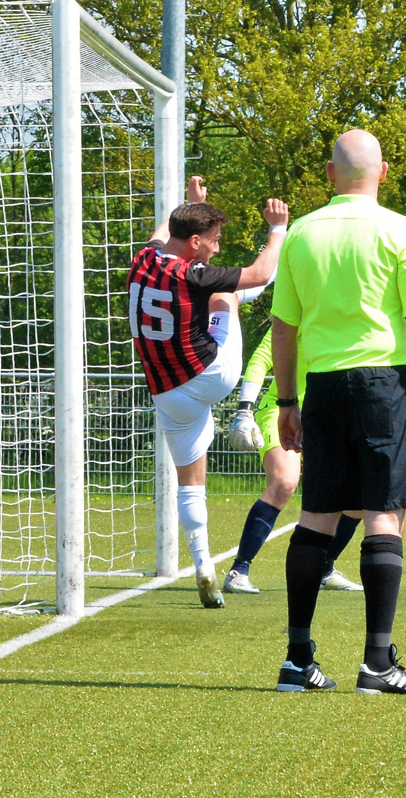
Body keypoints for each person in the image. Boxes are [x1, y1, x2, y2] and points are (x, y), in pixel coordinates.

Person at [271, 129, 406, 695]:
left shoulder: (299, 233)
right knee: (383, 515)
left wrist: (287, 401)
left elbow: (283, 327)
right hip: (382, 386)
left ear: (328, 173)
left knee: (317, 515)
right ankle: (376, 664)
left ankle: (297, 659)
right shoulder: (399, 229)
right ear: (383, 173)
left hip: (321, 387)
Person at [127, 174, 285, 608]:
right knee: (229, 295)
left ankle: (203, 566)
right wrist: (277, 228)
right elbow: (259, 271)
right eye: (213, 240)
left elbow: (163, 233)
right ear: (194, 242)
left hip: (166, 391)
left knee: (189, 485)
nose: (217, 246)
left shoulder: (145, 258)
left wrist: (189, 202)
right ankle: (242, 412)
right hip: (212, 374)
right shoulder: (192, 272)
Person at [222, 327, 364, 595]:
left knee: (356, 499)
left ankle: (325, 568)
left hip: (325, 414)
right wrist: (244, 409)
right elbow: (262, 357)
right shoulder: (295, 308)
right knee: (284, 481)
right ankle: (239, 570)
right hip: (281, 409)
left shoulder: (343, 313)